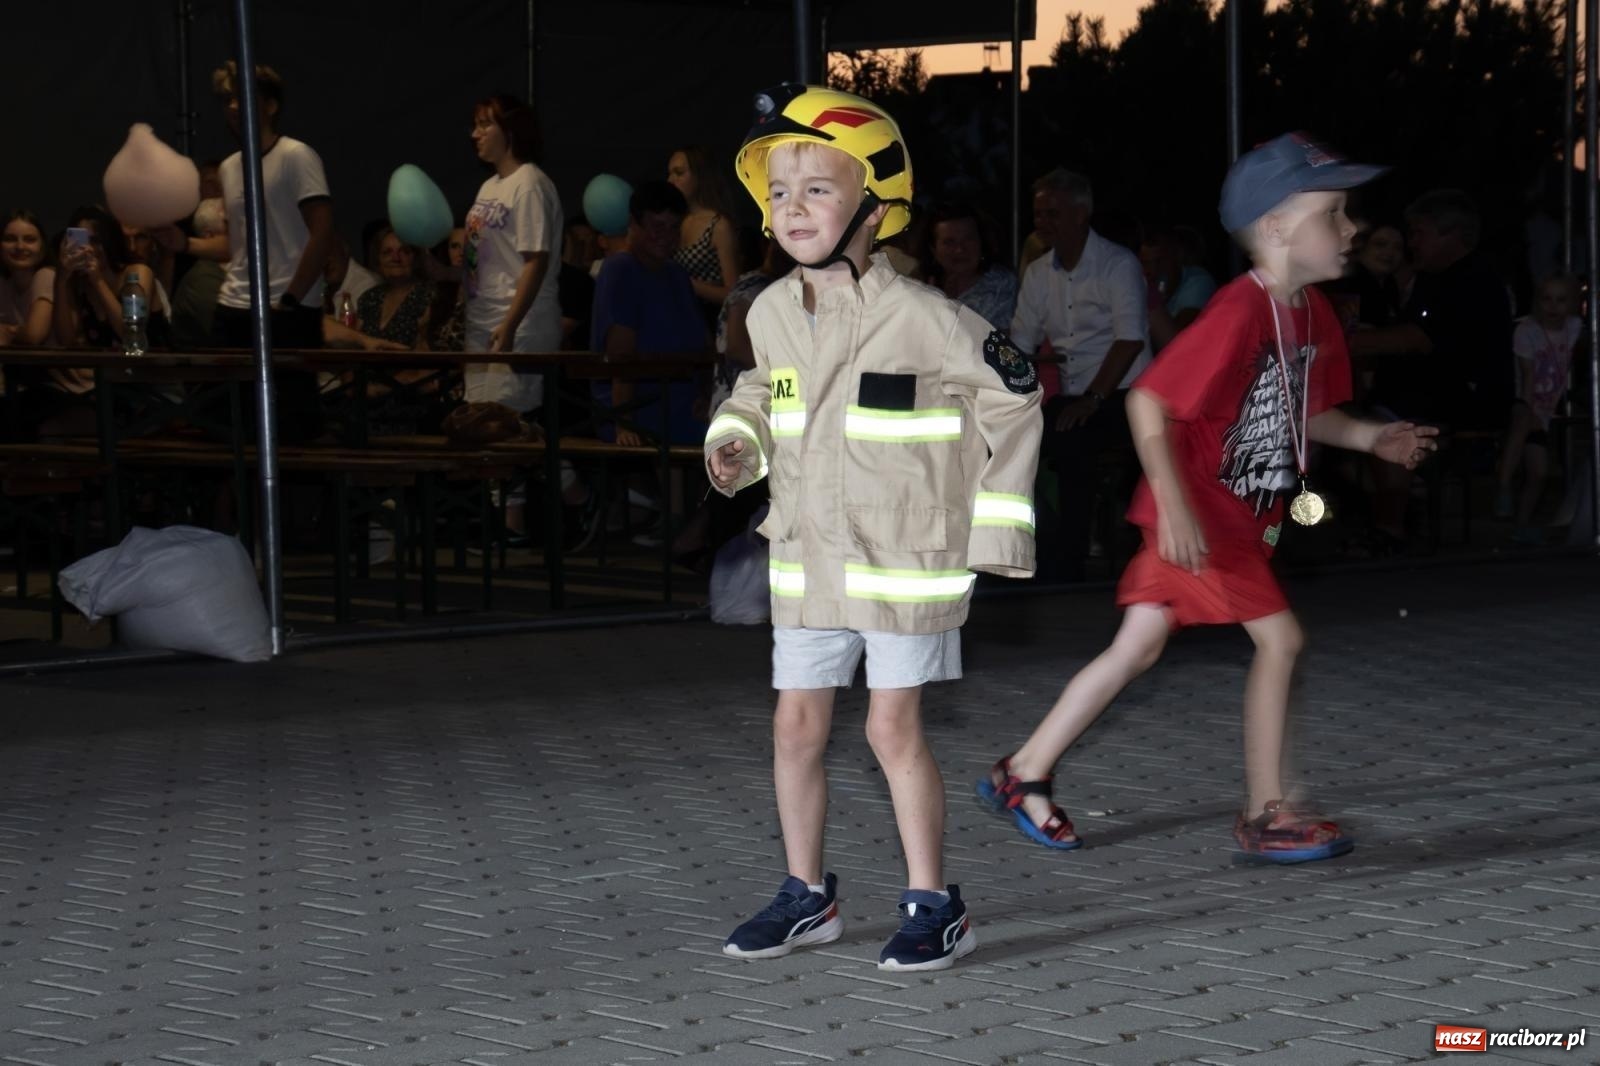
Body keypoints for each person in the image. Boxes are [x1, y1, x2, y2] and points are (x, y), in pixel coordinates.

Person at [976, 133, 1438, 864]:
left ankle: (1023, 770)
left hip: (1229, 517)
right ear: (1278, 227)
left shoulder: (1312, 315)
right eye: (1335, 214)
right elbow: (1147, 404)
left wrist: (1371, 440)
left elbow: (1307, 412)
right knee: (1280, 640)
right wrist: (1178, 508)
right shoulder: (1237, 310)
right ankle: (1266, 812)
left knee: (1137, 647)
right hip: (1197, 516)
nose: (1351, 229)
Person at [706, 84, 1042, 971]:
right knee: (794, 729)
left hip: (904, 560)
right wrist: (738, 441)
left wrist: (996, 530)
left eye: (816, 187)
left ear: (876, 202)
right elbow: (763, 394)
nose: (791, 207)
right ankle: (805, 896)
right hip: (810, 555)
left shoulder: (927, 317)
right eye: (779, 192)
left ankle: (937, 904)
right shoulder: (771, 311)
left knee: (891, 730)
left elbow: (1016, 393)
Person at [158, 61, 332, 442]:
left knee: (291, 427)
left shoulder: (296, 156)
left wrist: (289, 300)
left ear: (270, 105)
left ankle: (290, 502)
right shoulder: (230, 167)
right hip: (235, 307)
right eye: (227, 100)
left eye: (243, 97)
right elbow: (237, 246)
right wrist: (186, 243)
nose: (234, 107)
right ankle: (240, 501)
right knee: (231, 427)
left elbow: (322, 234)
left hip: (287, 310)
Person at [1011, 168, 1152, 580]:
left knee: (1070, 443)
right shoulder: (1038, 272)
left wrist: (1093, 400)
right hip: (1075, 394)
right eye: (1039, 214)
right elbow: (1021, 342)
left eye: (1052, 213)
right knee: (1014, 441)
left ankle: (1065, 560)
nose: (1042, 223)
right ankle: (1040, 549)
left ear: (1080, 214)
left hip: (1125, 394)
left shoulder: (1117, 263)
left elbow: (1129, 341)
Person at [463, 93, 562, 414]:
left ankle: (560, 467)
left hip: (519, 323)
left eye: (484, 125)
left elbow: (536, 260)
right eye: (474, 125)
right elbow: (484, 259)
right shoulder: (489, 186)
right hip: (482, 322)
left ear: (510, 130)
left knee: (504, 423)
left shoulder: (529, 183)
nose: (474, 134)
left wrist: (510, 326)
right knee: (477, 420)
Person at [590, 181, 708, 448]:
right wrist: (624, 423)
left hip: (680, 405)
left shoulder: (676, 274)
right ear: (634, 224)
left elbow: (701, 343)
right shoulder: (621, 269)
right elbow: (622, 357)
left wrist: (705, 393)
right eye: (657, 226)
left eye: (673, 227)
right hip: (642, 410)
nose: (666, 236)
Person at [1496, 272, 1580, 540]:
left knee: (1539, 472)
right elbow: (1528, 376)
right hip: (1523, 400)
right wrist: (1532, 411)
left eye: (1561, 300)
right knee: (1521, 422)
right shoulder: (1527, 331)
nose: (1553, 307)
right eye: (1547, 299)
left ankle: (1522, 523)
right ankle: (1504, 486)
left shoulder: (1574, 326)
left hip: (1544, 408)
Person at [914, 201, 1018, 329]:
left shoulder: (1002, 285)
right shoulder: (919, 287)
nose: (959, 249)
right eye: (949, 242)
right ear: (933, 249)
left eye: (968, 239)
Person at [667, 145, 740, 315]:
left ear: (700, 176)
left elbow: (734, 293)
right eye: (669, 173)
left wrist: (687, 283)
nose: (670, 180)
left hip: (708, 319)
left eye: (679, 173)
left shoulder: (718, 225)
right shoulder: (676, 221)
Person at [1140, 223, 1216, 353]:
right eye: (1146, 263)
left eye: (1159, 261)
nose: (1151, 271)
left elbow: (1179, 343)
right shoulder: (1138, 282)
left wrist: (1156, 303)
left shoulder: (1198, 281)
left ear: (1177, 257)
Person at [0, 210, 56, 348]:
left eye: (29, 240)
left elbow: (34, 335)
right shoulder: (4, 283)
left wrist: (8, 331)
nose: (20, 246)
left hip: (54, 367)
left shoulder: (46, 275)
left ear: (42, 247)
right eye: (10, 239)